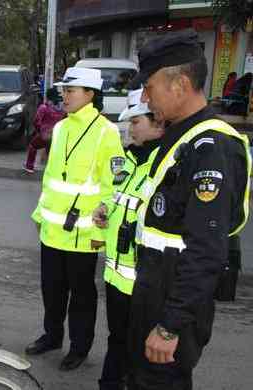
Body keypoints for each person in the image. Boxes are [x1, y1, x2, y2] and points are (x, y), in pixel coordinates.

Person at [127, 30, 251, 390]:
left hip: (173, 302)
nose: (146, 99)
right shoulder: (180, 136)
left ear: (179, 84)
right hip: (154, 290)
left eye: (150, 88)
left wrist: (170, 326)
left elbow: (207, 251)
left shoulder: (211, 147)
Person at [27, 67, 125, 371]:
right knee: (51, 289)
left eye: (71, 90)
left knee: (81, 295)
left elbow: (114, 185)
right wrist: (40, 215)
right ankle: (52, 335)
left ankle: (79, 347)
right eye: (64, 90)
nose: (64, 95)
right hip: (52, 229)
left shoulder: (106, 132)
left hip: (83, 234)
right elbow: (52, 180)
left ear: (90, 94)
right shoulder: (61, 128)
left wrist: (101, 228)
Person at [92, 88, 164, 390]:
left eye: (135, 122)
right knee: (117, 337)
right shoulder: (129, 159)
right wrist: (104, 209)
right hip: (117, 275)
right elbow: (117, 196)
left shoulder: (165, 166)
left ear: (158, 123)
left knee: (141, 348)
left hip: (145, 282)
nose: (129, 128)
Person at [23, 88, 64, 173]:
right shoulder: (62, 109)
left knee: (33, 146)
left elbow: (36, 121)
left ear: (48, 96)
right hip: (58, 135)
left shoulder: (44, 107)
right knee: (53, 152)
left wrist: (40, 131)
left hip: (45, 135)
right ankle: (55, 169)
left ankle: (29, 166)